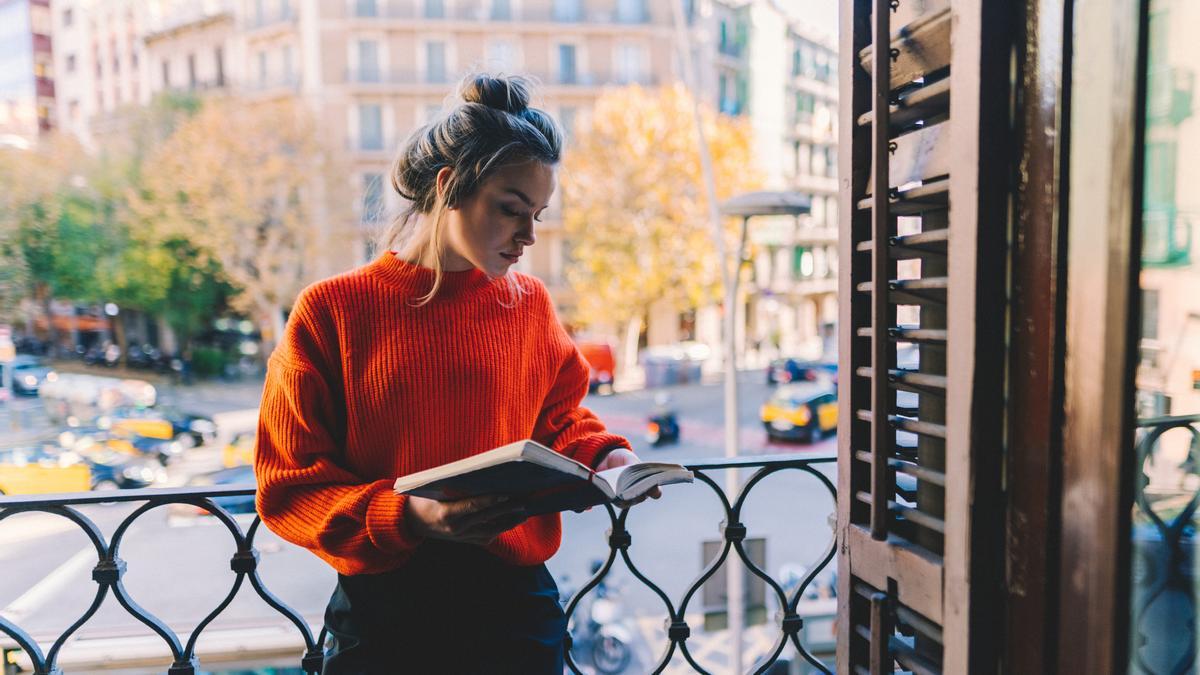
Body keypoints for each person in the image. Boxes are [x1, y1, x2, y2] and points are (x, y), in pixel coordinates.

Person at [254, 73, 657, 674]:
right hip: (388, 617)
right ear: (448, 188)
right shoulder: (333, 311)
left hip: (515, 612)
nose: (528, 236)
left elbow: (558, 418)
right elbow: (290, 485)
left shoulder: (528, 305)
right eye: (511, 209)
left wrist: (606, 458)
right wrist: (411, 516)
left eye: (538, 215)